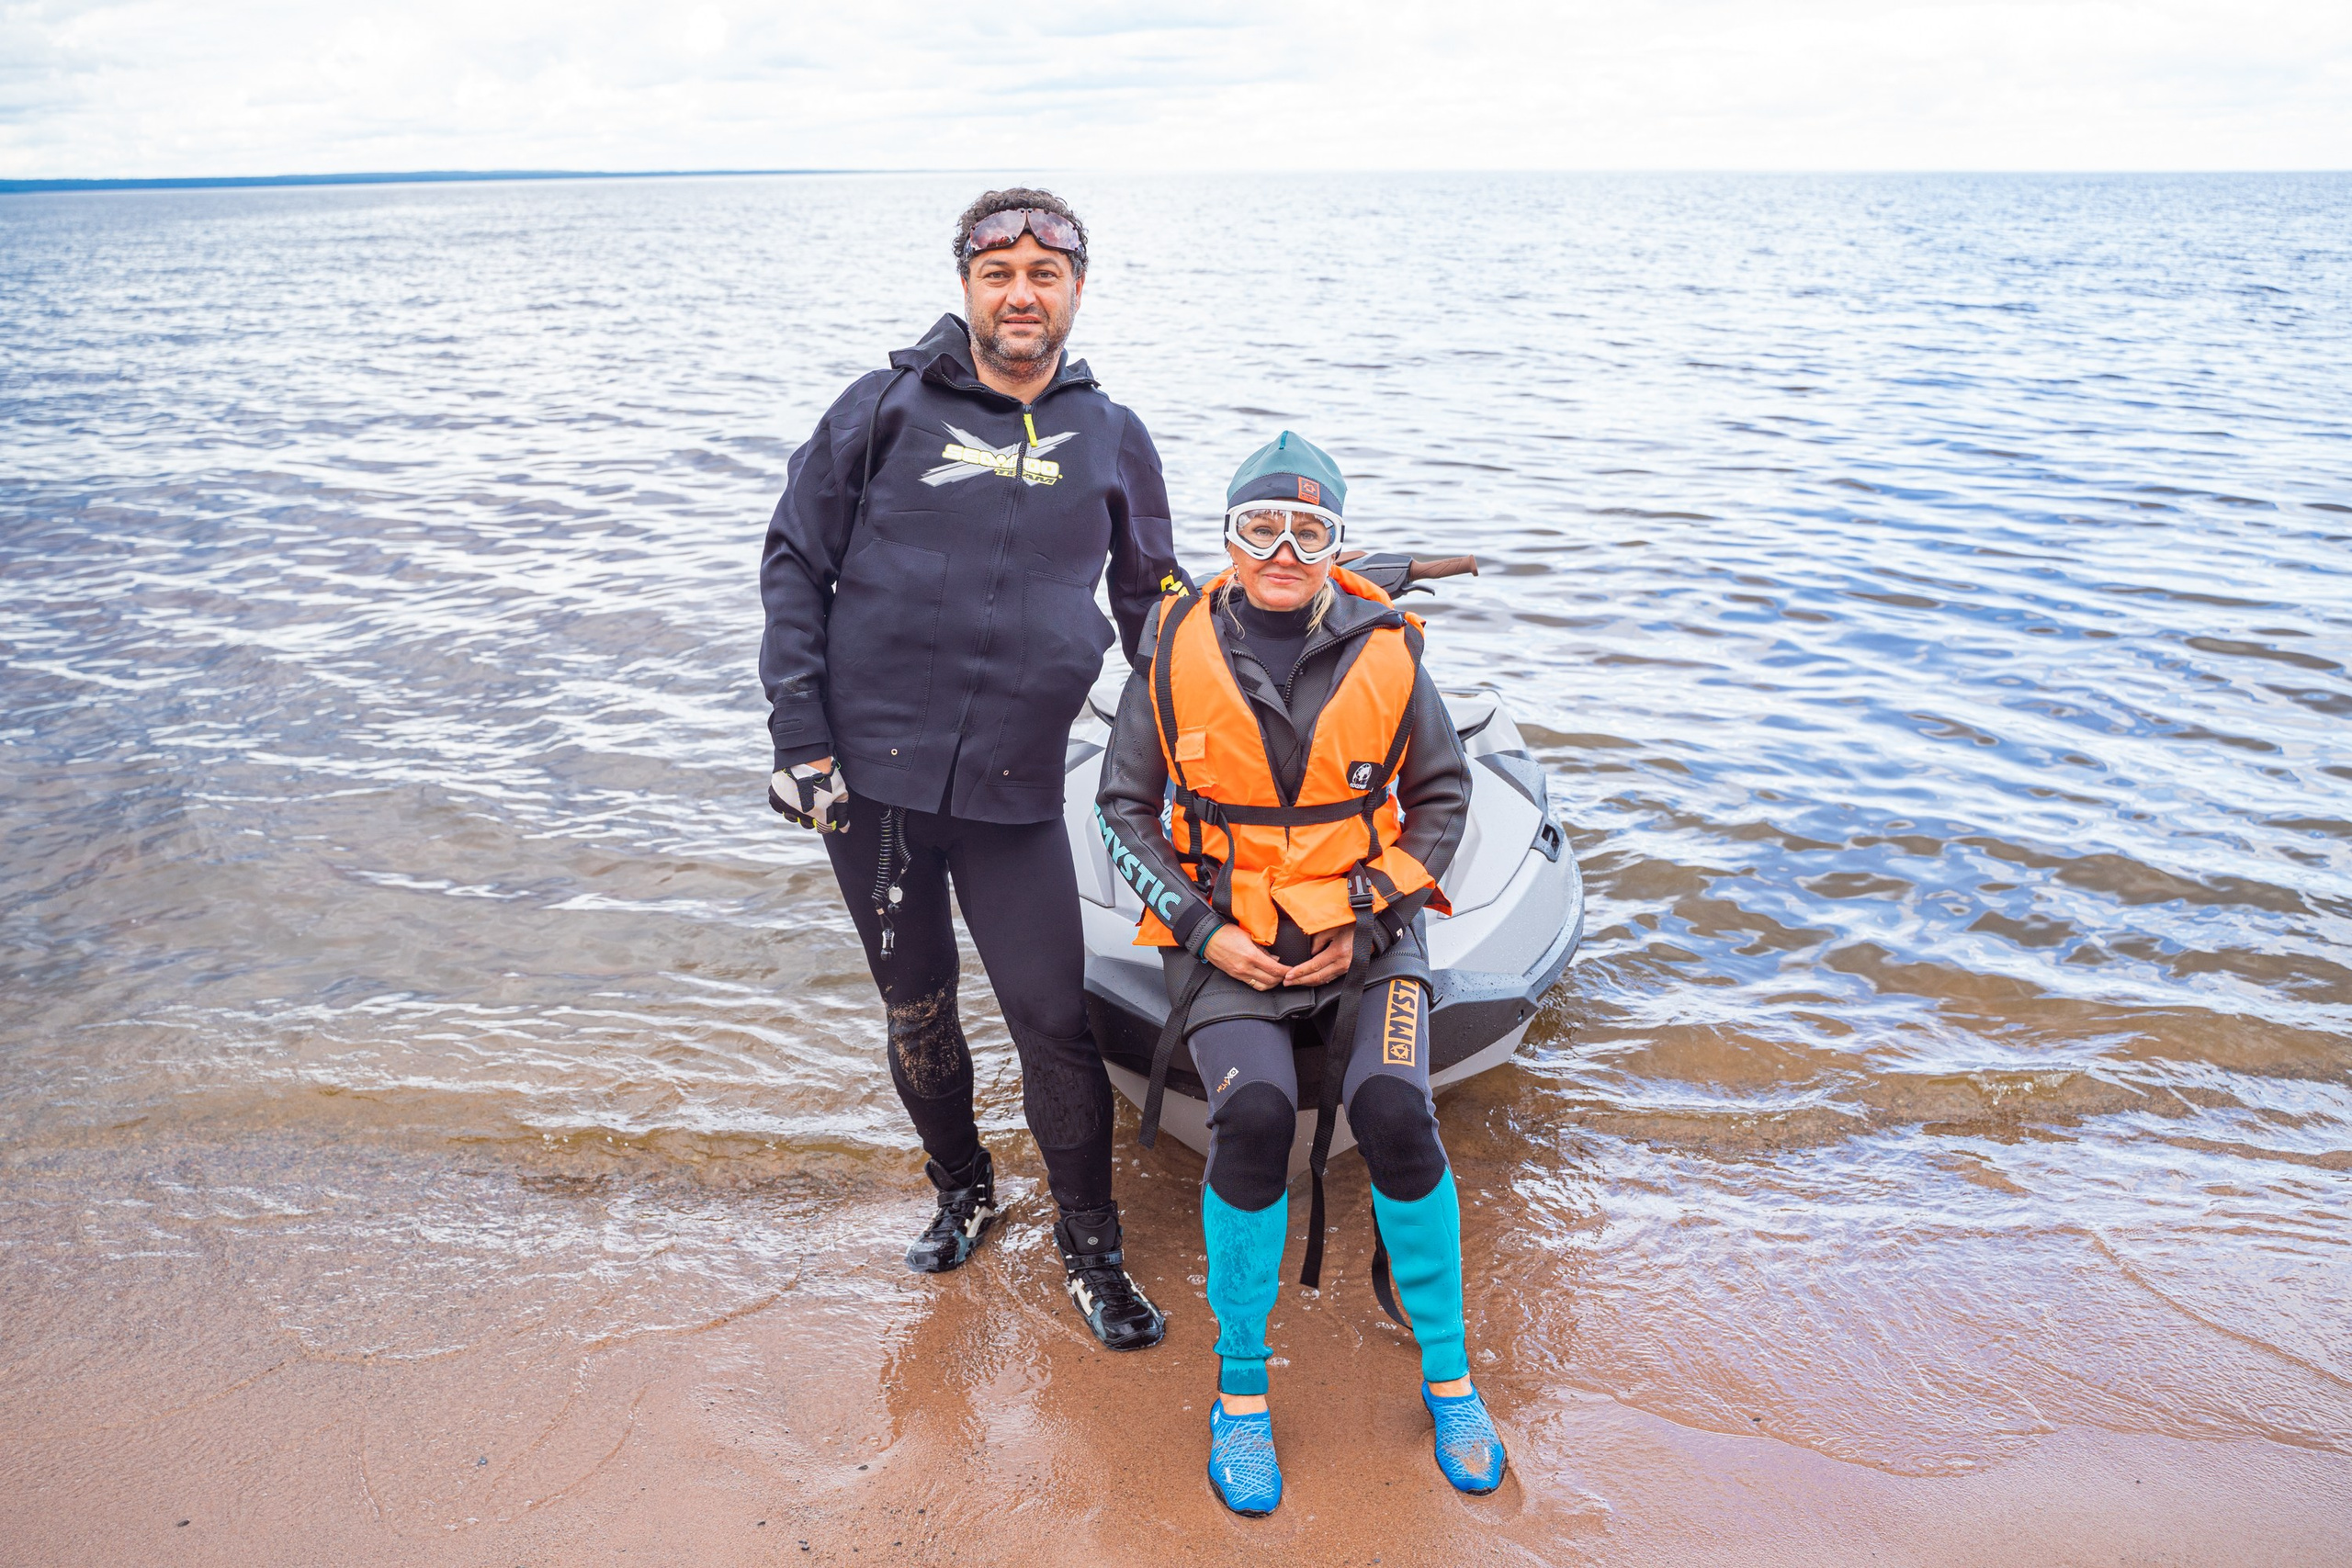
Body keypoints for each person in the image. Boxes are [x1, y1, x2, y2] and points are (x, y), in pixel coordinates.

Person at [758, 188, 1182, 1351]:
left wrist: (1266, 664)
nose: (1021, 294)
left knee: (1052, 1019)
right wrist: (799, 732)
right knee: (919, 1008)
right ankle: (963, 1190)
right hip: (871, 788)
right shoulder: (883, 405)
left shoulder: (1111, 435)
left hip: (1012, 790)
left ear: (1076, 292)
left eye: (1045, 275)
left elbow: (1157, 613)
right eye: (999, 274)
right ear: (967, 284)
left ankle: (1091, 1250)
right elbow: (796, 559)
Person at [1094, 432, 1508, 1512]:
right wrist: (1198, 929)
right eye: (1259, 528)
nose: (1283, 549)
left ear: (1336, 543)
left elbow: (1445, 800)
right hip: (1229, 933)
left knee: (1396, 1111)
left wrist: (1369, 914)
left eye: (1309, 530)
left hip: (1368, 930)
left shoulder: (1388, 647)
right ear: (1227, 540)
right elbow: (1122, 808)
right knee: (1258, 1118)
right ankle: (1240, 1394)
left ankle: (1451, 1377)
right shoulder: (1170, 648)